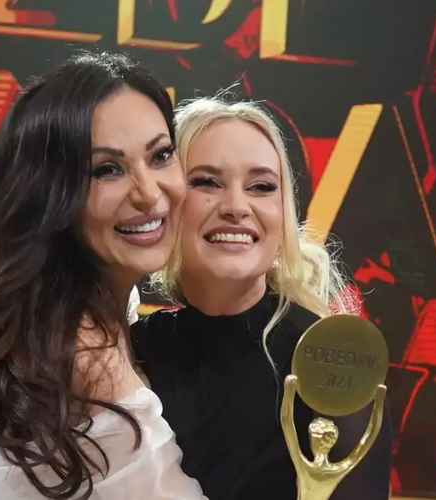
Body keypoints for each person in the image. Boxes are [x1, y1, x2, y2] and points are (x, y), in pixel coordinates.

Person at [0, 52, 206, 500]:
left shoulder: (43, 317)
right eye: (107, 169)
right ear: (52, 192)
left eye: (160, 155)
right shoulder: (88, 356)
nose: (149, 193)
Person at [132, 96, 393, 500]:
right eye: (207, 182)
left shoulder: (331, 362)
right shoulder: (132, 351)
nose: (237, 207)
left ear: (283, 212)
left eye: (261, 187)